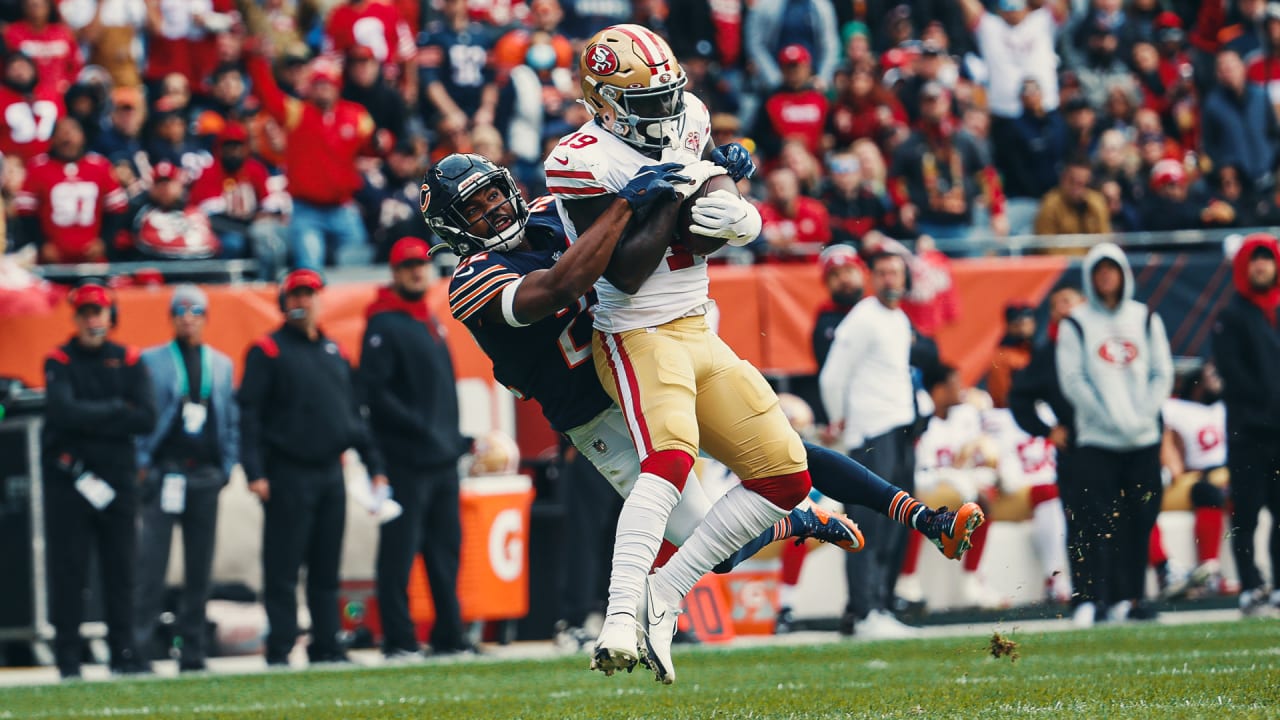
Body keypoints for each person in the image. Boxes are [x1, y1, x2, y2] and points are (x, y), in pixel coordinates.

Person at [426, 151, 979, 680]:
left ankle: (923, 518)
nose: (492, 210)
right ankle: (795, 522)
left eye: (493, 195)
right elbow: (560, 285)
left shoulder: (555, 211)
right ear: (454, 230)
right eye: (473, 209)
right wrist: (624, 205)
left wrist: (712, 174)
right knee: (712, 547)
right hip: (595, 411)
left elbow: (661, 213)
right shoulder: (472, 279)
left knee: (781, 449)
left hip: (645, 362)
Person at [552, 25, 823, 685]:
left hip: (698, 325)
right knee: (671, 458)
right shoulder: (582, 157)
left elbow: (694, 229)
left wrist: (731, 204)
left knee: (787, 478)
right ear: (607, 106)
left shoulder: (690, 115)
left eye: (671, 96)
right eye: (648, 103)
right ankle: (618, 617)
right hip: (634, 331)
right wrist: (684, 188)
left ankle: (665, 592)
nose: (668, 114)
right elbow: (628, 271)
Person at [820, 251, 983, 637]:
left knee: (896, 525)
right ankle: (864, 611)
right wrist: (838, 421)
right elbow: (832, 377)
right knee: (869, 524)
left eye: (896, 272)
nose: (890, 279)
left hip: (899, 430)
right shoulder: (862, 317)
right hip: (871, 432)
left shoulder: (898, 318)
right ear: (872, 278)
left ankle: (881, 603)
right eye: (882, 273)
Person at [238, 269, 388, 666]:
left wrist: (374, 465)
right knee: (284, 568)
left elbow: (354, 417)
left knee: (326, 567)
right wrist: (255, 472)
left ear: (320, 300)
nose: (302, 302)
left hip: (330, 474)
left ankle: (326, 645)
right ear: (284, 302)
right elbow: (249, 416)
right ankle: (281, 646)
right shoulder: (267, 351)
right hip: (287, 473)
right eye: (296, 295)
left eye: (309, 294)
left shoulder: (335, 352)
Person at [360, 238, 470, 658]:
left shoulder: (426, 319)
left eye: (421, 265)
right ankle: (399, 640)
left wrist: (455, 439)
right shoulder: (385, 323)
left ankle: (450, 637)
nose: (416, 272)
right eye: (407, 266)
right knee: (399, 556)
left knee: (445, 554)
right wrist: (425, 431)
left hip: (440, 459)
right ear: (394, 272)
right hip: (406, 460)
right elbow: (377, 395)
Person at [43, 283, 156, 679]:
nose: (93, 319)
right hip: (70, 480)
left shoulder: (128, 358)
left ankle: (125, 653)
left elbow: (146, 417)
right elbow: (61, 413)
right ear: (75, 317)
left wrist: (89, 416)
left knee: (121, 570)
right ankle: (68, 658)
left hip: (118, 481)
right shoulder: (58, 360)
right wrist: (114, 410)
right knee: (69, 571)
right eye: (86, 312)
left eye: (99, 311)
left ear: (111, 316)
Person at [1057, 242, 1173, 625]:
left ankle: (1131, 598)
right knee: (1096, 523)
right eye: (1099, 270)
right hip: (1098, 441)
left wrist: (1142, 416)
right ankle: (1098, 599)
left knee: (1140, 520)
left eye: (1112, 269)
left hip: (1142, 440)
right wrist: (1109, 417)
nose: (1106, 276)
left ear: (1124, 273)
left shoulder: (1145, 318)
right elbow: (1074, 381)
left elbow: (1162, 373)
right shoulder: (1076, 322)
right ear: (1090, 277)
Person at [133, 285, 238, 672]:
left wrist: (228, 465)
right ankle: (139, 648)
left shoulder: (222, 365)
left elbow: (231, 420)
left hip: (206, 475)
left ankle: (192, 649)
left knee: (199, 569)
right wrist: (143, 463)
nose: (188, 318)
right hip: (165, 474)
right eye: (181, 311)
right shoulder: (152, 361)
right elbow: (143, 416)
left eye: (195, 311)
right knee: (151, 566)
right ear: (172, 316)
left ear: (206, 317)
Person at [247, 43, 375, 269]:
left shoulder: (356, 116)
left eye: (328, 84)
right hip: (307, 209)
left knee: (358, 266)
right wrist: (257, 61)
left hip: (343, 206)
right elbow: (268, 95)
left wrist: (383, 144)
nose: (323, 89)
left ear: (337, 87)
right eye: (318, 84)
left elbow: (373, 147)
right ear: (310, 88)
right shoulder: (297, 113)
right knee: (309, 266)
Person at [1009, 281, 1090, 618]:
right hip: (1075, 448)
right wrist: (1047, 430)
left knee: (1123, 516)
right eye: (1056, 304)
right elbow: (1019, 397)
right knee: (1081, 520)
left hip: (1117, 442)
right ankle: (1086, 596)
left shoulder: (1104, 343)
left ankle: (1125, 596)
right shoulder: (1048, 353)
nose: (1062, 309)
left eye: (1068, 300)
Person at [1212, 233, 1280, 616]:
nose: (1260, 266)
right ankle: (1250, 585)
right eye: (1253, 260)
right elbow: (1234, 374)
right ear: (1242, 267)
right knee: (1247, 514)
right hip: (1249, 434)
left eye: (1266, 259)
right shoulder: (1231, 316)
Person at [1154, 361, 1229, 598]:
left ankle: (1217, 572)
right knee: (1207, 490)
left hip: (1222, 475)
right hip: (1190, 477)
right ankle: (1205, 570)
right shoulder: (1173, 409)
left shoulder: (1223, 407)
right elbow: (1170, 452)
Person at [14, 117, 128, 264]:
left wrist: (104, 242)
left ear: (82, 136)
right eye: (62, 132)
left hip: (92, 260)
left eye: (73, 131)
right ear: (52, 138)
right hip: (51, 261)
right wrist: (41, 244)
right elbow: (25, 212)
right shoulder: (38, 167)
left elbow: (117, 208)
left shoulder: (100, 166)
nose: (67, 136)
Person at [985, 302, 1037, 409]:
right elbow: (1001, 395)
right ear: (1009, 326)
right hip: (1013, 412)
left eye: (1027, 323)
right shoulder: (1000, 355)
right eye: (1018, 324)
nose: (1023, 328)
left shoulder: (1034, 349)